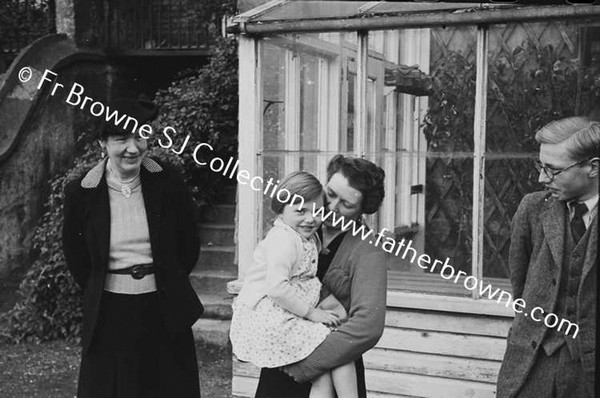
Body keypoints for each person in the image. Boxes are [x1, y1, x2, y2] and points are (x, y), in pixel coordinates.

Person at [62, 98, 203, 398]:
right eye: (121, 139)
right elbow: (76, 256)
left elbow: (188, 243)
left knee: (167, 387)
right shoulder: (82, 191)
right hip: (110, 311)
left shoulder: (168, 181)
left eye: (140, 136)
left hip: (163, 306)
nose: (133, 147)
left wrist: (166, 276)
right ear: (103, 143)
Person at [254, 155, 388, 398]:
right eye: (331, 194)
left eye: (346, 204)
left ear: (362, 210)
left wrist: (308, 364)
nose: (332, 207)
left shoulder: (368, 250)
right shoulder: (298, 229)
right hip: (281, 357)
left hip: (330, 366)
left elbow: (367, 326)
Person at [230, 171, 358, 398]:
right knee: (338, 350)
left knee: (322, 373)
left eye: (317, 211)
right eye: (301, 211)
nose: (311, 218)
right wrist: (312, 313)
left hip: (287, 313)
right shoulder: (283, 240)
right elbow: (277, 288)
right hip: (273, 317)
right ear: (281, 209)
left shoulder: (303, 236)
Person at [497, 117, 599, 398]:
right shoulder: (532, 209)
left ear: (593, 167)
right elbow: (521, 287)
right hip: (532, 363)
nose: (543, 179)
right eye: (541, 167)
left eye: (553, 170)